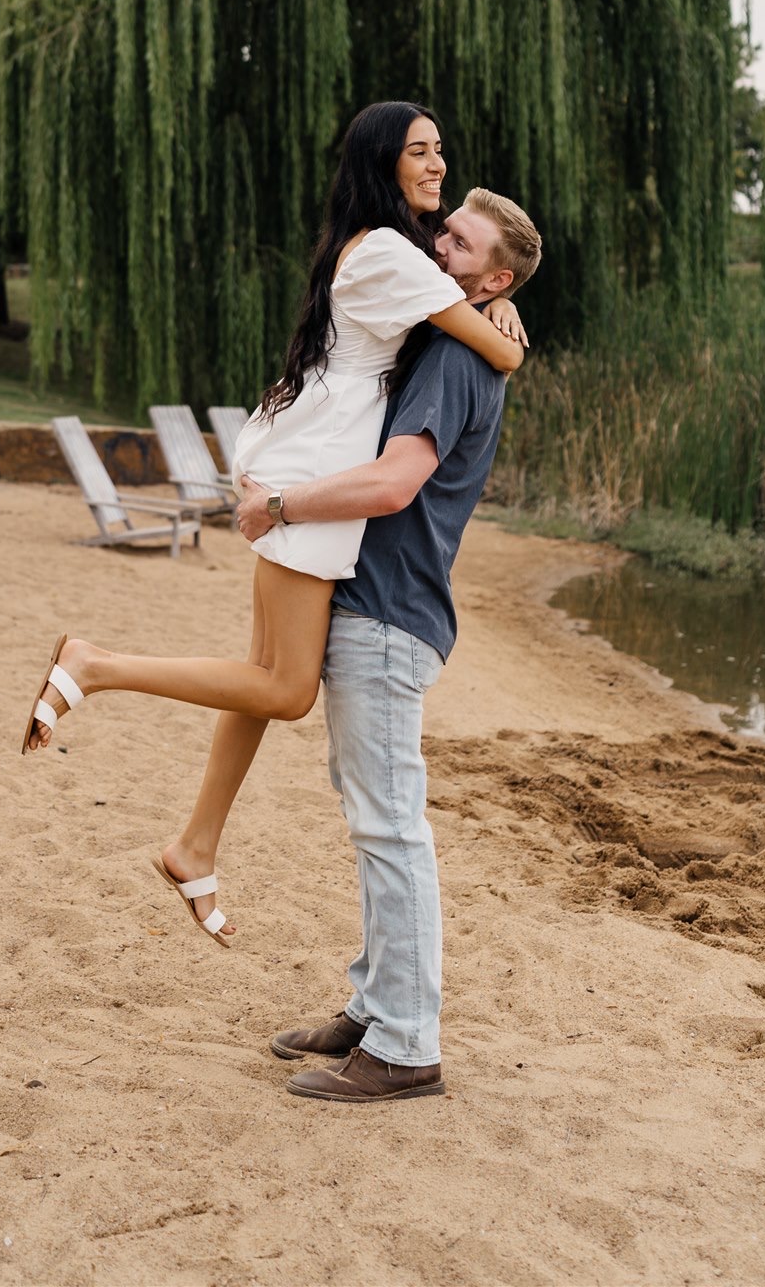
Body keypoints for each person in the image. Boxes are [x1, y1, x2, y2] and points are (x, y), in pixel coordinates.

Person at [21, 103, 526, 946]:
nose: (435, 167)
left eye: (441, 152)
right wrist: (507, 318)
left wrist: (498, 302)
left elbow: (471, 311)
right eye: (419, 153)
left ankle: (195, 844)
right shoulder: (396, 253)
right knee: (286, 688)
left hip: (302, 448)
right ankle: (97, 665)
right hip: (312, 470)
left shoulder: (382, 246)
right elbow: (499, 353)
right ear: (381, 162)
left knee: (260, 675)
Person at [236, 186, 542, 1101]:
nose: (435, 243)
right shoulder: (451, 330)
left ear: (493, 279)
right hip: (380, 609)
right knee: (375, 816)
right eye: (442, 230)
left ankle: (406, 1046)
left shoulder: (454, 353)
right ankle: (375, 1005)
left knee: (390, 826)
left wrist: (279, 506)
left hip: (386, 613)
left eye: (458, 244)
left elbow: (395, 484)